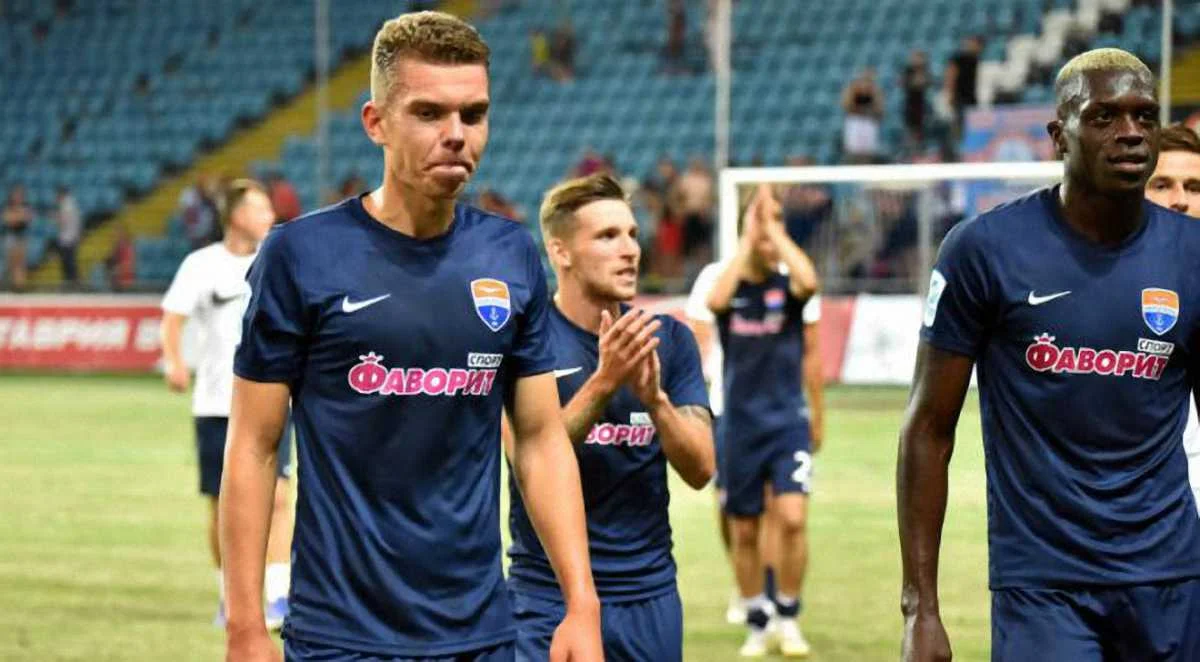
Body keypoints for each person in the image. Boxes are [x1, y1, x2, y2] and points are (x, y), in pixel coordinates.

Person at [220, 12, 601, 662]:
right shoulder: (301, 255)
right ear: (376, 123)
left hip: (481, 634)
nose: (456, 134)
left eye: (473, 114)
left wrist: (582, 604)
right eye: (428, 113)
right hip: (339, 636)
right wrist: (245, 625)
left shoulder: (510, 255)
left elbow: (540, 440)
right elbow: (254, 446)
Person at [899, 49, 1200, 662]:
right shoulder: (983, 250)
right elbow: (927, 429)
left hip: (1171, 579)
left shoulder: (1192, 252)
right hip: (1041, 588)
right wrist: (920, 608)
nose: (1131, 133)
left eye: (1144, 116)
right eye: (1105, 117)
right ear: (1059, 135)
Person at [504, 173, 714, 662]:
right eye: (607, 236)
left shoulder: (668, 339)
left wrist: (656, 401)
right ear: (560, 252)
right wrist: (604, 383)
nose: (630, 250)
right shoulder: (525, 339)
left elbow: (702, 468)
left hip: (647, 595)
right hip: (547, 594)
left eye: (632, 234)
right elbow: (524, 456)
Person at [159, 179, 295, 630]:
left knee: (279, 496)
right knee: (222, 504)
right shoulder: (201, 265)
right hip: (217, 404)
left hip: (273, 399)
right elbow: (172, 318)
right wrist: (175, 361)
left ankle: (278, 594)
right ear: (235, 215)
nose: (269, 216)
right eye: (260, 208)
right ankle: (230, 596)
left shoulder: (278, 260)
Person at [705, 184, 822, 658]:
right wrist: (748, 240)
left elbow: (809, 281)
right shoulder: (729, 287)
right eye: (762, 226)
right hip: (738, 427)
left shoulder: (787, 289)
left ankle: (788, 615)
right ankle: (758, 619)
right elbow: (714, 301)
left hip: (786, 423)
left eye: (777, 224)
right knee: (745, 529)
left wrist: (774, 229)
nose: (770, 236)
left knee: (792, 518)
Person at [1144, 123, 1200, 514]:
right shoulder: (1097, 284)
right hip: (1141, 504)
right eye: (1162, 185)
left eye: (1194, 187)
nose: (1180, 200)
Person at [3, 185, 33, 290]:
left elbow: (27, 219)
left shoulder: (26, 207)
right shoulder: (8, 207)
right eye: (16, 195)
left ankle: (20, 286)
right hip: (12, 237)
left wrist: (17, 217)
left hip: (21, 237)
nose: (17, 197)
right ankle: (14, 284)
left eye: (19, 195)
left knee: (21, 263)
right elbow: (8, 221)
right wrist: (19, 217)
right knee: (12, 263)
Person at [54, 185, 82, 287]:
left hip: (67, 238)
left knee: (68, 264)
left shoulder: (66, 205)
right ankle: (72, 283)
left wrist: (54, 217)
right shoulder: (71, 204)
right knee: (70, 263)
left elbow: (63, 221)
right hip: (71, 237)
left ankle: (72, 284)